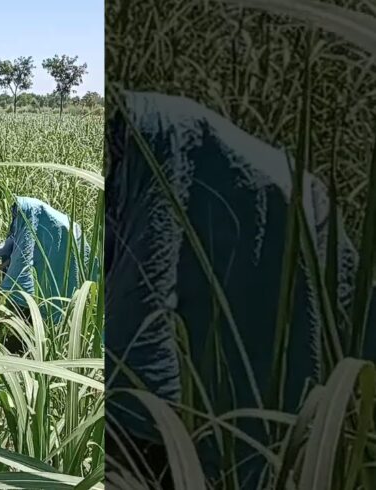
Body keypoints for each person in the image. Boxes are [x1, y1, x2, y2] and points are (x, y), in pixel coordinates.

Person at [105, 90, 376, 488]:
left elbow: (139, 324)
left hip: (288, 230)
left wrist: (141, 434)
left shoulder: (160, 137)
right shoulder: (149, 141)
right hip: (283, 215)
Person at [0, 195, 98, 352]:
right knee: (24, 313)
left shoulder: (60, 227)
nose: (15, 217)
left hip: (52, 280)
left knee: (31, 313)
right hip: (32, 283)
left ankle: (24, 347)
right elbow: (5, 246)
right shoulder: (28, 226)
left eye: (17, 213)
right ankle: (22, 344)